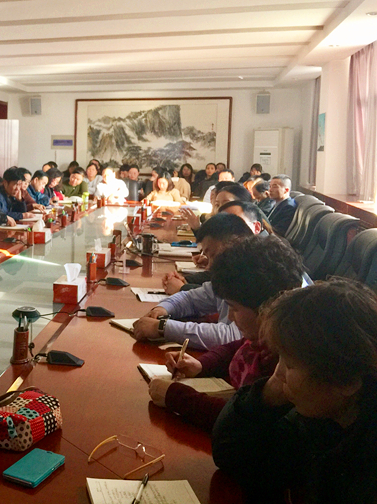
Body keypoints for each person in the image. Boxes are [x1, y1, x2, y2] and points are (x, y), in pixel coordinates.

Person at [213, 279, 377, 503]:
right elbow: (232, 456)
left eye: (289, 364)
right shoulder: (320, 420)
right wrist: (267, 395)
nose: (278, 374)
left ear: (346, 382)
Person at [147, 236, 304, 433]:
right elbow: (236, 347)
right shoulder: (262, 340)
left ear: (267, 308)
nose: (229, 316)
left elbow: (241, 418)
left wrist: (176, 397)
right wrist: (201, 365)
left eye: (235, 308)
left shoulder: (284, 363)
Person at [132, 213, 253, 350]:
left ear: (237, 245)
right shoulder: (228, 277)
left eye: (213, 255)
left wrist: (162, 327)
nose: (209, 266)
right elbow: (190, 299)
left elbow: (232, 337)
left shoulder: (253, 279)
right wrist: (162, 309)